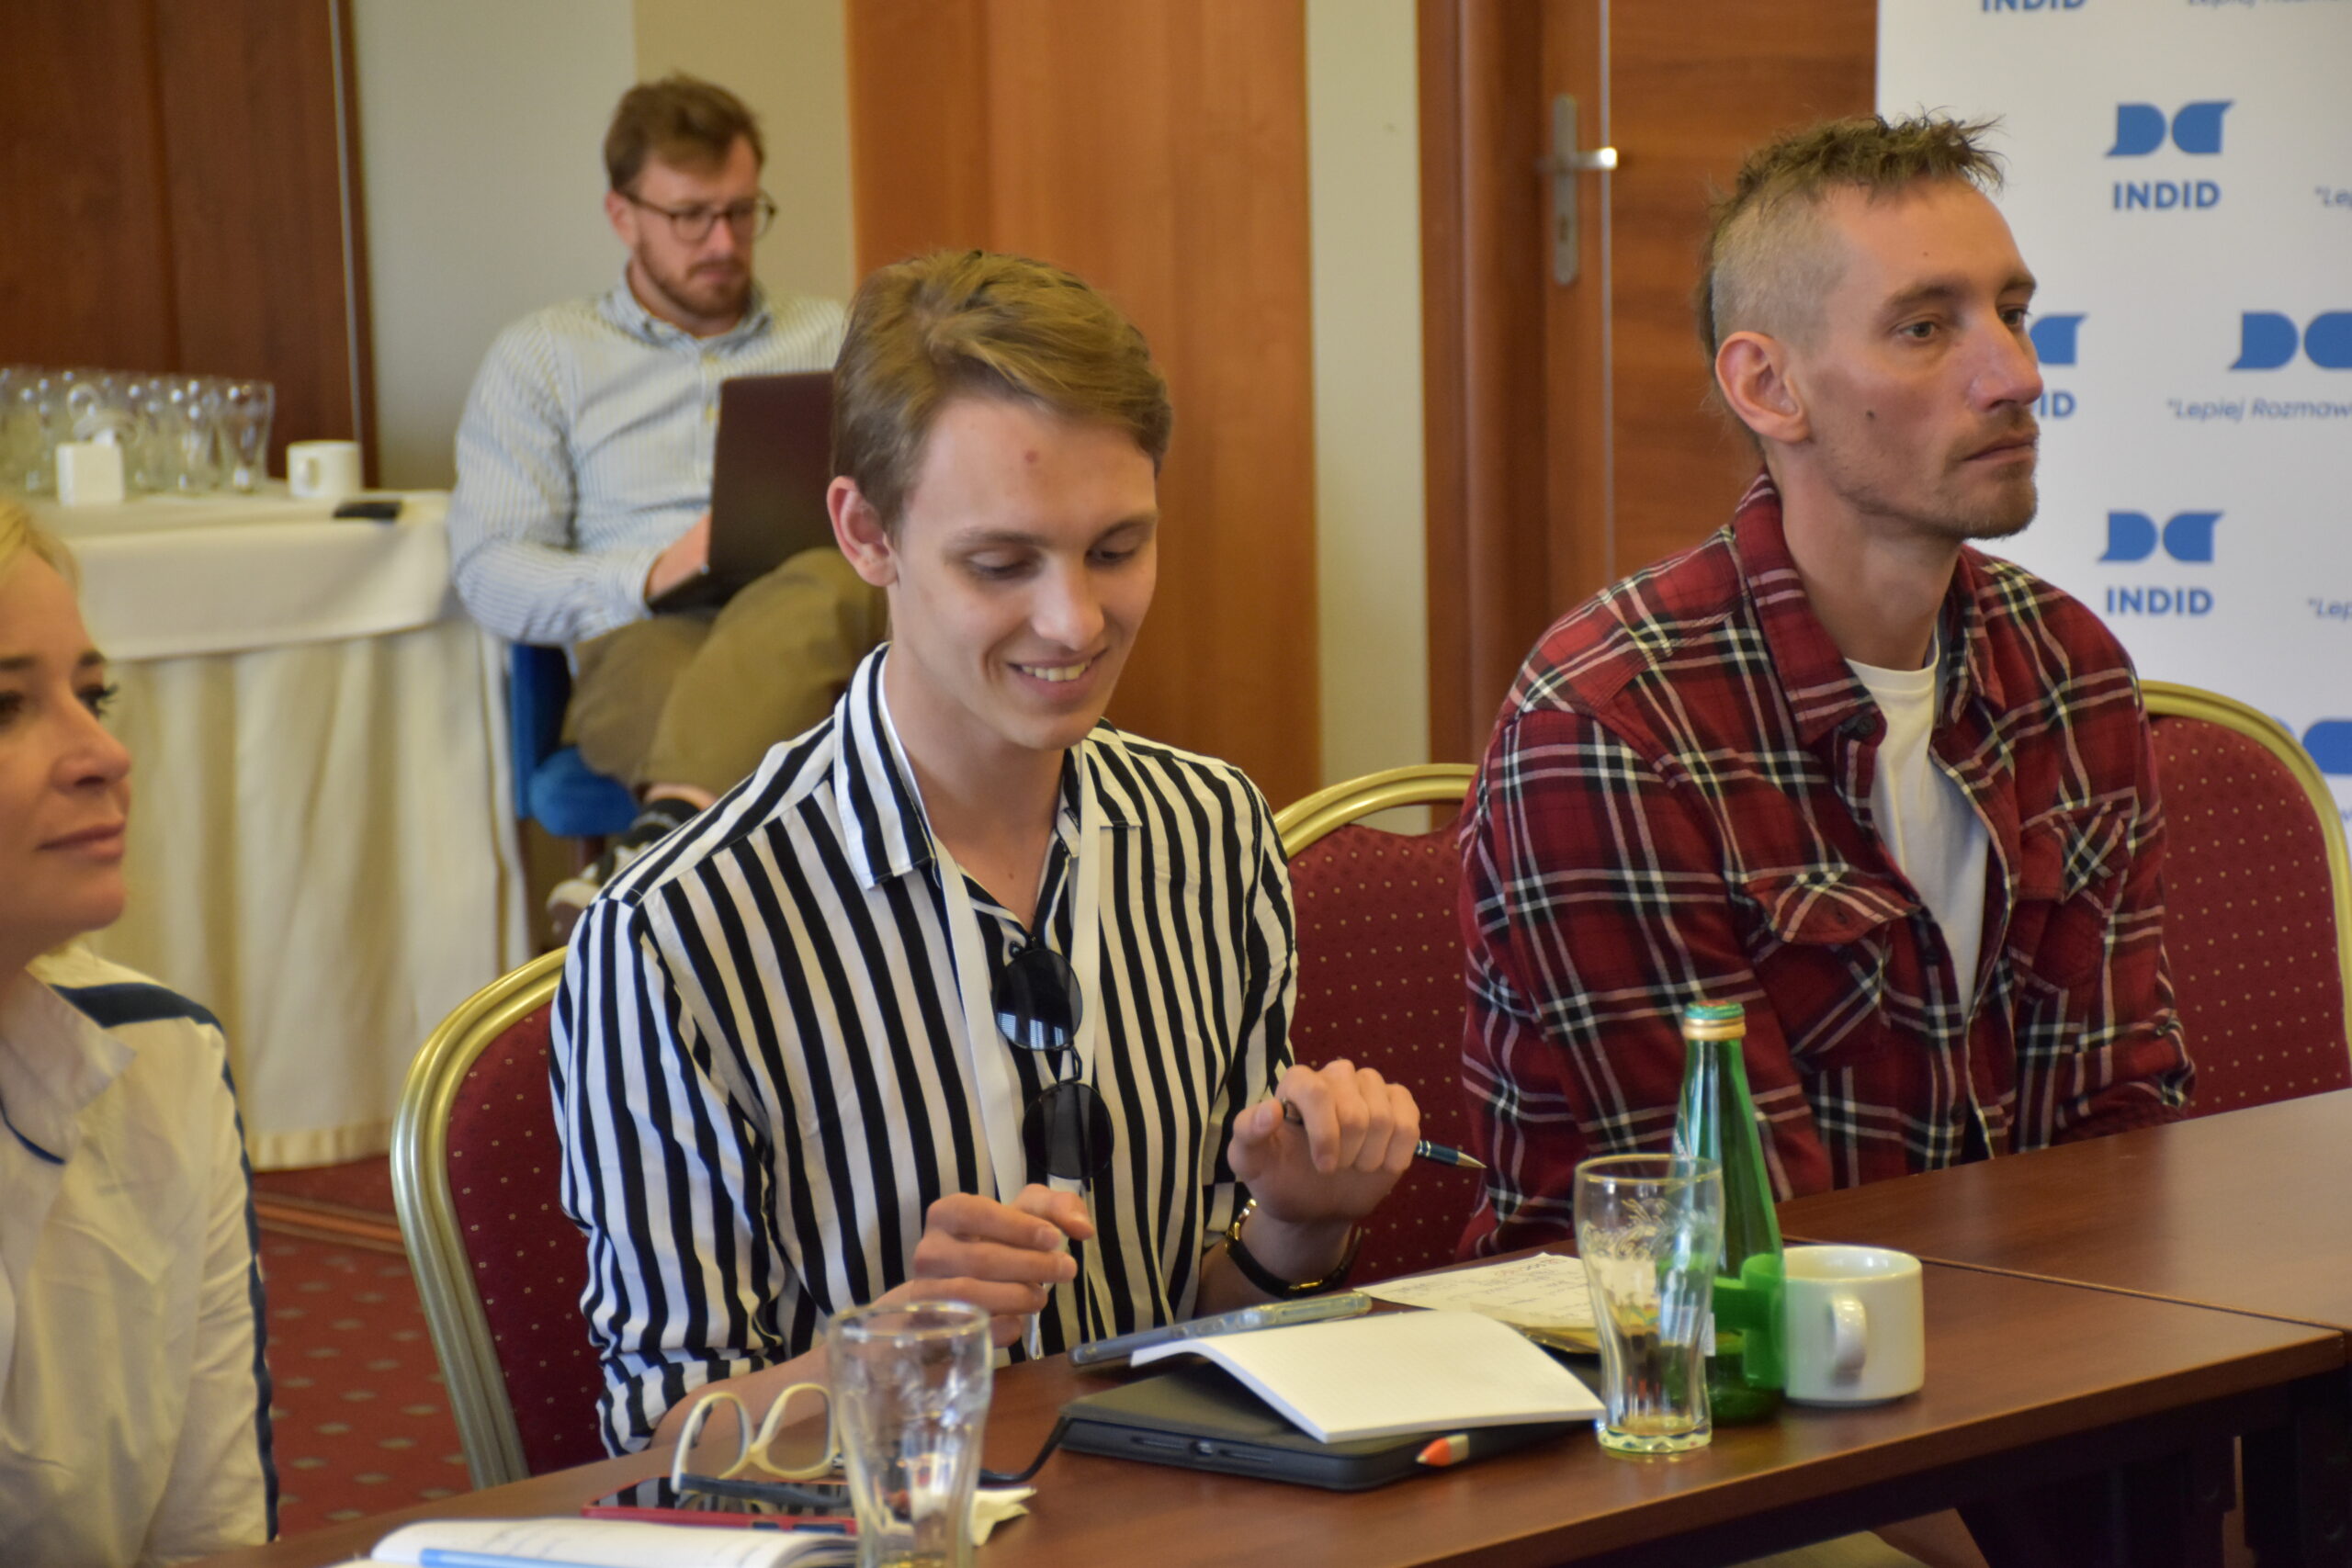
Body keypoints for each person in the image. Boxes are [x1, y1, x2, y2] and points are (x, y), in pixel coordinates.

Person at [552, 250, 1420, 1454]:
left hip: (1172, 1521)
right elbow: (660, 1444)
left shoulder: (1211, 833)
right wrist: (887, 1352)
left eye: (1116, 549)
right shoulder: (679, 932)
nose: (1075, 622)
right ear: (867, 534)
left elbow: (1198, 1335)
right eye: (1002, 564)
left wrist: (1298, 1229)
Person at [1460, 115, 2193, 1254]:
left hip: (2031, 1318)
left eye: (2011, 313)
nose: (2017, 375)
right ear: (1770, 387)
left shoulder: (2069, 668)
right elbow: (1742, 1232)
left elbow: (2119, 1124)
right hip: (1687, 1353)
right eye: (1924, 327)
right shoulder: (1609, 723)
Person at [447, 73, 885, 932]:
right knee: (684, 680)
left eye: (741, 212)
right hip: (637, 635)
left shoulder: (832, 336)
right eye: (690, 216)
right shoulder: (543, 357)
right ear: (623, 214)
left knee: (827, 582)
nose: (723, 241)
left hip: (813, 608)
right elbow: (488, 570)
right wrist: (653, 572)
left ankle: (654, 847)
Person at [0, 502, 275, 1563]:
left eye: (94, 694)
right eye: (6, 706)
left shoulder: (159, 1058)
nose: (104, 753)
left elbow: (212, 1544)